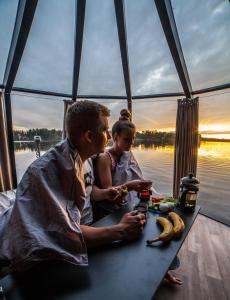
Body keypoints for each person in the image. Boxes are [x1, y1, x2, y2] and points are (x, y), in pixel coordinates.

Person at [0, 100, 146, 277]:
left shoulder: (86, 159)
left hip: (87, 225)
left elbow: (90, 192)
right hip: (34, 251)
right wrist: (120, 229)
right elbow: (64, 234)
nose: (108, 135)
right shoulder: (47, 171)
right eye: (105, 130)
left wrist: (106, 193)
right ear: (89, 137)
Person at [95, 109, 182, 285]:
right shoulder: (105, 158)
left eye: (133, 139)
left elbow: (134, 177)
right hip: (111, 211)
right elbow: (110, 194)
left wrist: (142, 185)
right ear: (115, 136)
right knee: (147, 229)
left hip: (129, 204)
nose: (131, 143)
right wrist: (131, 186)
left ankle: (162, 270)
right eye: (127, 139)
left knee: (160, 221)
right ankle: (147, 274)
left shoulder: (128, 155)